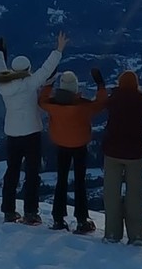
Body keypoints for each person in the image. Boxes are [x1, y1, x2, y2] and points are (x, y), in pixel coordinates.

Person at [0, 32, 67, 225]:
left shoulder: (3, 84)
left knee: (12, 171)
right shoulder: (31, 83)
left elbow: (0, 66)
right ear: (28, 69)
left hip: (12, 133)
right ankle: (30, 212)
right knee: (32, 173)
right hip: (31, 133)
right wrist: (58, 49)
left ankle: (8, 210)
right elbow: (46, 68)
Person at [38, 70, 108, 233]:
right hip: (79, 145)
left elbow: (41, 101)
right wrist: (101, 86)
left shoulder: (53, 105)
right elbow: (100, 104)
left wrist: (49, 83)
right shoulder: (83, 106)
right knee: (80, 182)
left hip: (61, 145)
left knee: (61, 180)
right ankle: (82, 219)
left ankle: (58, 218)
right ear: (75, 88)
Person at [100, 70, 142, 245]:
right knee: (135, 195)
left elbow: (105, 103)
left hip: (113, 151)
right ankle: (136, 235)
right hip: (134, 152)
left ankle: (112, 233)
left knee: (111, 194)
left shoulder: (113, 100)